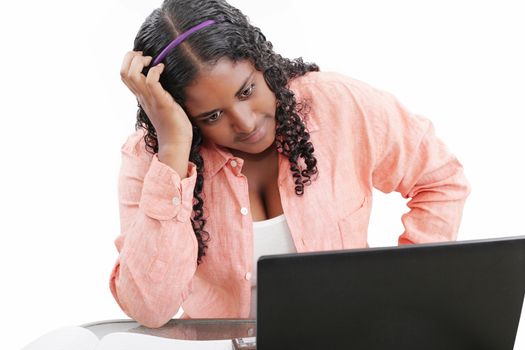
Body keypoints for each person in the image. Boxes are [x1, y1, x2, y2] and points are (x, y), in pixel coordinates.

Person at [110, 0, 470, 328]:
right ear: (184, 115)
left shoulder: (336, 105)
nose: (246, 123)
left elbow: (440, 179)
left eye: (247, 91)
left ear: (263, 62)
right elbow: (149, 309)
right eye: (213, 115)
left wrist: (403, 288)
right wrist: (173, 149)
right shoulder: (153, 156)